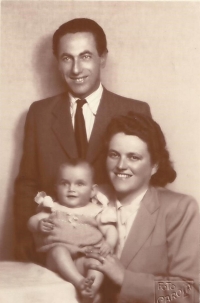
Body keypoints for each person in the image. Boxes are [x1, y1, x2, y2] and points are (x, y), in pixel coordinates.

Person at [14, 18, 151, 263]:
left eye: (85, 56)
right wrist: (27, 238)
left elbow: (148, 190)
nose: (76, 69)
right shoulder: (39, 113)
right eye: (67, 58)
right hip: (54, 252)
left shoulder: (135, 111)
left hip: (118, 250)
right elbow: (27, 183)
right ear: (57, 62)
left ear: (103, 58)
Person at [85, 112, 199, 303]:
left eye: (134, 157)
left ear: (154, 165)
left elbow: (191, 291)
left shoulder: (180, 208)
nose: (121, 165)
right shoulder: (90, 198)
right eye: (114, 155)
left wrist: (125, 279)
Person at [27, 159, 118, 303]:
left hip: (85, 258)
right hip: (58, 261)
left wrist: (109, 243)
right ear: (56, 187)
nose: (71, 189)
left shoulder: (96, 210)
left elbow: (110, 230)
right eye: (65, 183)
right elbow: (32, 221)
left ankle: (91, 289)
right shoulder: (53, 208)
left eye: (79, 184)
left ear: (92, 190)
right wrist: (39, 225)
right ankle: (80, 282)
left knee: (98, 260)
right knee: (58, 250)